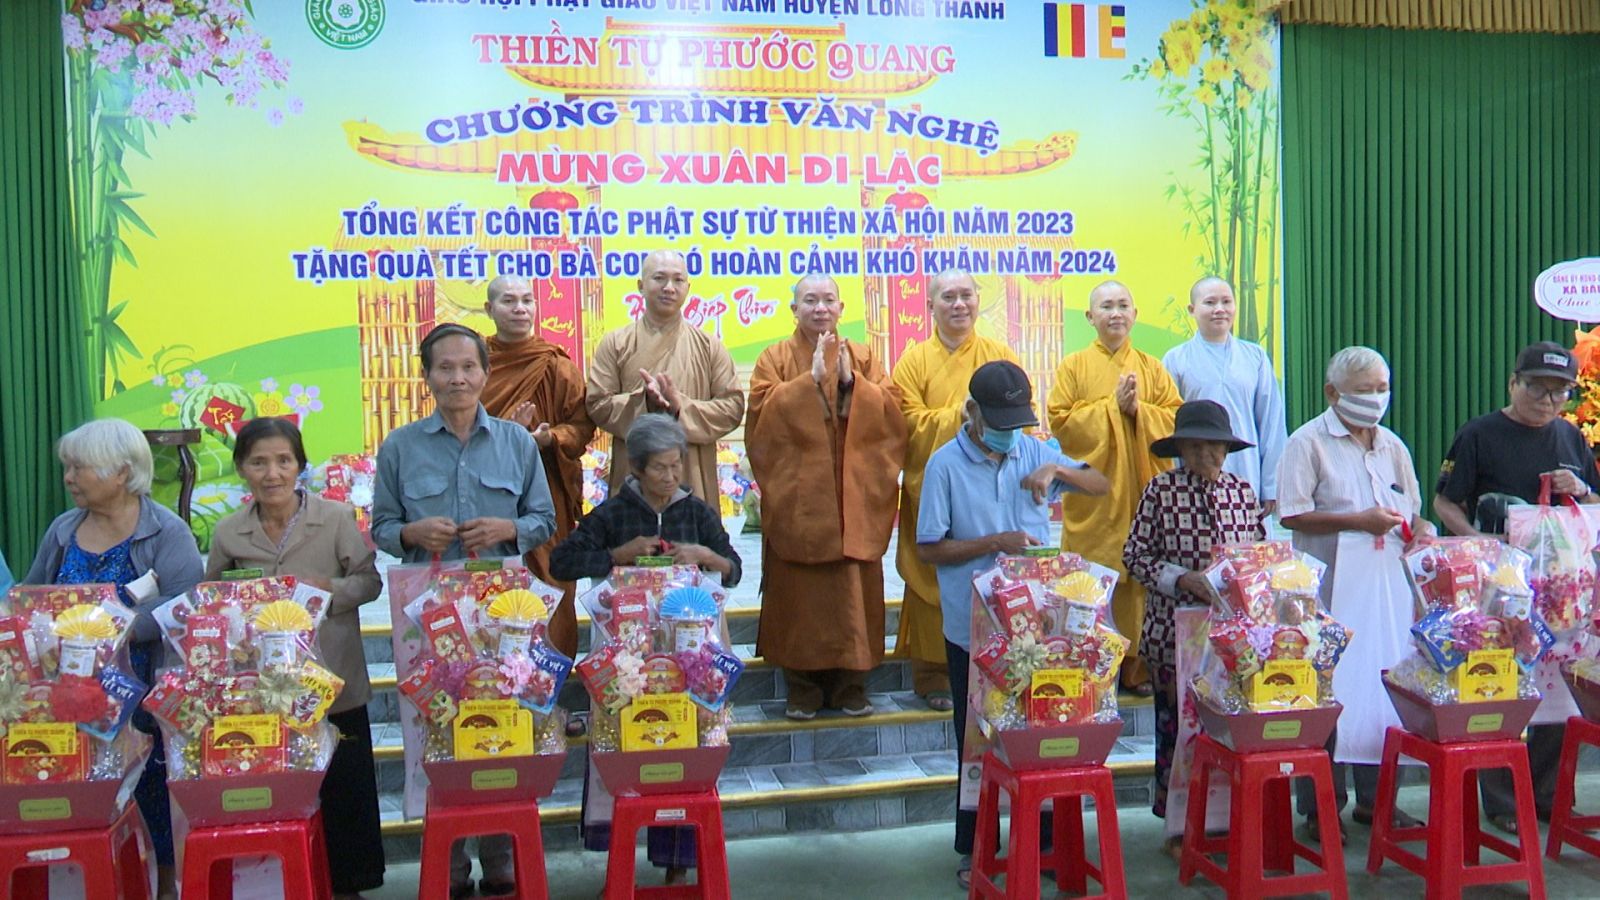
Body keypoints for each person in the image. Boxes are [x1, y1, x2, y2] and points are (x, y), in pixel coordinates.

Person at [370, 323, 556, 900]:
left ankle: (501, 858)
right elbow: (381, 527)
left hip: (502, 614)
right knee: (437, 727)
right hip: (427, 615)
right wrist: (410, 532)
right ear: (427, 376)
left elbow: (544, 520)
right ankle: (448, 864)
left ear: (485, 373)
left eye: (468, 367)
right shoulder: (400, 447)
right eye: (445, 368)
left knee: (501, 721)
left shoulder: (517, 443)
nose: (457, 378)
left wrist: (509, 528)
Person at [916, 361, 1109, 889]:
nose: (1008, 433)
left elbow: (1100, 483)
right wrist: (995, 543)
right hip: (975, 629)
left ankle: (1043, 842)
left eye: (1017, 423)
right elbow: (929, 547)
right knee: (977, 740)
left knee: (1041, 729)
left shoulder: (1033, 450)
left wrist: (1059, 473)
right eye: (999, 423)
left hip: (1038, 630)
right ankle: (976, 847)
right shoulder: (944, 465)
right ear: (973, 412)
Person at [550, 413, 741, 887]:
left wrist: (705, 556)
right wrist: (616, 556)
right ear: (636, 467)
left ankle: (680, 862)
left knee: (684, 743)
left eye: (677, 466)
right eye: (660, 467)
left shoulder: (695, 512)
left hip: (688, 661)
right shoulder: (613, 514)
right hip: (625, 662)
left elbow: (733, 568)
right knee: (624, 745)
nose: (671, 476)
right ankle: (618, 862)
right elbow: (562, 561)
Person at [23, 418, 204, 900]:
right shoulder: (63, 530)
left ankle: (164, 884)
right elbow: (31, 596)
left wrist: (112, 629)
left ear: (121, 472)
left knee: (152, 790)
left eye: (79, 468)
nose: (68, 478)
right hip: (69, 696)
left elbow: (186, 611)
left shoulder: (167, 532)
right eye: (68, 467)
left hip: (142, 691)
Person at [205, 417, 384, 899]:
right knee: (281, 791)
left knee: (344, 789)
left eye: (284, 461)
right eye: (259, 462)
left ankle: (348, 885)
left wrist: (328, 591)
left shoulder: (336, 517)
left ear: (300, 466)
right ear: (241, 468)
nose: (272, 474)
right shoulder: (228, 532)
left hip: (333, 679)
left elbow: (369, 582)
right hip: (266, 690)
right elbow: (212, 600)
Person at [1434, 341, 1599, 834]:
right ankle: (1503, 800)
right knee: (1499, 683)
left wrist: (1581, 489)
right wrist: (1479, 543)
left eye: (1559, 393)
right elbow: (1445, 503)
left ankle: (1547, 795)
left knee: (1555, 684)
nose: (1548, 402)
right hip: (1498, 586)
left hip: (1559, 592)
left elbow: (1593, 506)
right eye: (1537, 389)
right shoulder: (1479, 434)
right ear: (1513, 384)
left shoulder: (1571, 437)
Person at [1278, 346, 1433, 843]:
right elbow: (1292, 513)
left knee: (1384, 686)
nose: (1376, 399)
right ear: (1332, 392)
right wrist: (1356, 521)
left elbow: (1413, 510)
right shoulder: (1307, 442)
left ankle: (1378, 799)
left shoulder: (1392, 445)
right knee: (1327, 696)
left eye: (1382, 389)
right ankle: (1321, 809)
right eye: (1364, 390)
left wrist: (1423, 529)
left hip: (1386, 591)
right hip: (1327, 593)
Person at [746, 274, 906, 720]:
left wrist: (854, 385)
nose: (820, 308)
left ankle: (852, 686)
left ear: (841, 308)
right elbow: (759, 417)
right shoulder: (774, 358)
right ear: (793, 309)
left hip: (854, 495)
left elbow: (893, 411)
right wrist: (807, 384)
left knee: (853, 595)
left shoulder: (863, 356)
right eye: (810, 300)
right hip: (800, 498)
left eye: (828, 300)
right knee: (801, 597)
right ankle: (802, 688)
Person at [1122, 400, 1266, 857]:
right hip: (1173, 635)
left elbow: (1260, 555)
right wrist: (1183, 579)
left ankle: (1223, 819)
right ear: (1181, 449)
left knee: (1228, 727)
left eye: (1216, 446)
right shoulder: (1160, 491)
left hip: (1231, 637)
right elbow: (1134, 557)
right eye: (1197, 446)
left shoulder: (1242, 492)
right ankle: (1179, 825)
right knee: (1178, 728)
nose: (1208, 455)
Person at [892, 269, 1021, 711]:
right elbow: (904, 423)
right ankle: (933, 674)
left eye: (967, 295)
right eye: (948, 296)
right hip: (934, 484)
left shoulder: (998, 355)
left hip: (989, 486)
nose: (959, 304)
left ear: (978, 301)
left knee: (990, 572)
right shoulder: (913, 362)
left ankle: (993, 663)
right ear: (930, 305)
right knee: (934, 573)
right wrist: (958, 416)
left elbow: (1018, 414)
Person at [1047, 279, 1182, 695]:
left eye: (1123, 305)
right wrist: (1111, 409)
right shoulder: (1073, 366)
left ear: (1135, 315)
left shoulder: (1152, 367)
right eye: (1106, 306)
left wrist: (1139, 410)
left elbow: (1175, 420)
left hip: (1142, 494)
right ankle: (1091, 666)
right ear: (1091, 317)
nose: (1116, 313)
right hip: (1095, 500)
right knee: (1092, 579)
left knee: (1139, 581)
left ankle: (1136, 668)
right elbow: (1060, 423)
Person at [480, 274, 596, 660]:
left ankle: (553, 674)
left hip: (544, 490)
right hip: (486, 490)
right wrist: (505, 436)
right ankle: (494, 674)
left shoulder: (555, 364)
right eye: (509, 301)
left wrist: (550, 439)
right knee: (491, 581)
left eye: (527, 300)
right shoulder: (476, 364)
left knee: (551, 577)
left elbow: (581, 427)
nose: (520, 309)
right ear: (489, 309)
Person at [586, 250, 745, 502]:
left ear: (688, 288)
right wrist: (643, 403)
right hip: (634, 471)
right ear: (641, 285)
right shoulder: (616, 343)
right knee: (634, 525)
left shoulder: (709, 346)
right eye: (659, 278)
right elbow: (597, 403)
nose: (669, 287)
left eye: (678, 280)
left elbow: (732, 407)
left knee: (691, 525)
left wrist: (681, 408)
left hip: (691, 471)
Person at [1161, 277, 1287, 511]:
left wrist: (1271, 486)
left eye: (1226, 302)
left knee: (1247, 531)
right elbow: (1169, 424)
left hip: (1247, 468)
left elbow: (1271, 424)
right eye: (1210, 302)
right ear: (1192, 309)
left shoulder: (1255, 357)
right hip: (1194, 469)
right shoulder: (1176, 359)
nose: (1219, 309)